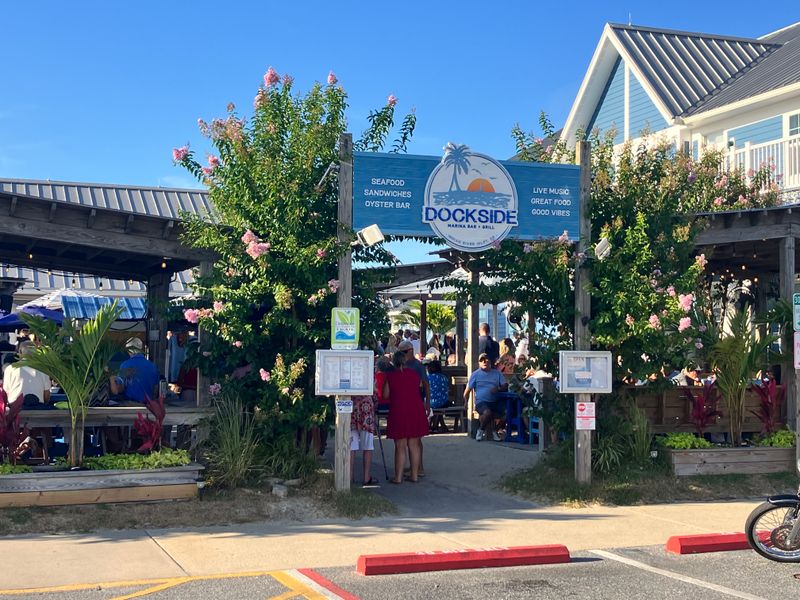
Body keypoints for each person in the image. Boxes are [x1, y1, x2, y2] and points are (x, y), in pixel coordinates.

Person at [383, 350, 429, 483]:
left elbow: (385, 395)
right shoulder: (414, 375)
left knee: (400, 445)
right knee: (414, 444)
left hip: (399, 410)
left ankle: (398, 477)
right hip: (415, 409)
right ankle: (414, 475)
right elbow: (419, 387)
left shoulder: (391, 376)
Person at [397, 340, 430, 475]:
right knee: (407, 436)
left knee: (416, 437)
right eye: (400, 352)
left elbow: (426, 384)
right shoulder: (398, 365)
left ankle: (419, 466)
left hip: (416, 401)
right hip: (403, 404)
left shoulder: (418, 366)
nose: (402, 355)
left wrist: (428, 402)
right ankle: (412, 465)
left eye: (404, 352)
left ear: (411, 350)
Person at [465, 352, 507, 441]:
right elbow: (467, 390)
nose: (484, 362)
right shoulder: (475, 374)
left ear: (490, 362)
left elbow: (505, 385)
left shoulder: (497, 373)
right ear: (479, 363)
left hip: (495, 401)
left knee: (508, 412)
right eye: (482, 360)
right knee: (487, 412)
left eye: (486, 360)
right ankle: (480, 430)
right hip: (481, 402)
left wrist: (498, 389)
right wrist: (466, 402)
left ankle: (495, 431)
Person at [109, 337, 159, 404]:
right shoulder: (152, 366)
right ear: (141, 348)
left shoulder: (126, 365)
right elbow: (156, 389)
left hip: (131, 405)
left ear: (129, 350)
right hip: (149, 406)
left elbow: (118, 390)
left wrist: (111, 377)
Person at [3, 341, 51, 407]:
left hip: (15, 409)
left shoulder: (10, 369)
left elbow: (5, 392)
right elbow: (46, 394)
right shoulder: (43, 369)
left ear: (20, 352)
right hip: (38, 408)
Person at [350, 393, 378, 487]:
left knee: (351, 445)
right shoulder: (370, 377)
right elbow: (375, 392)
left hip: (351, 404)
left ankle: (349, 476)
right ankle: (366, 478)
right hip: (366, 407)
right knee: (368, 445)